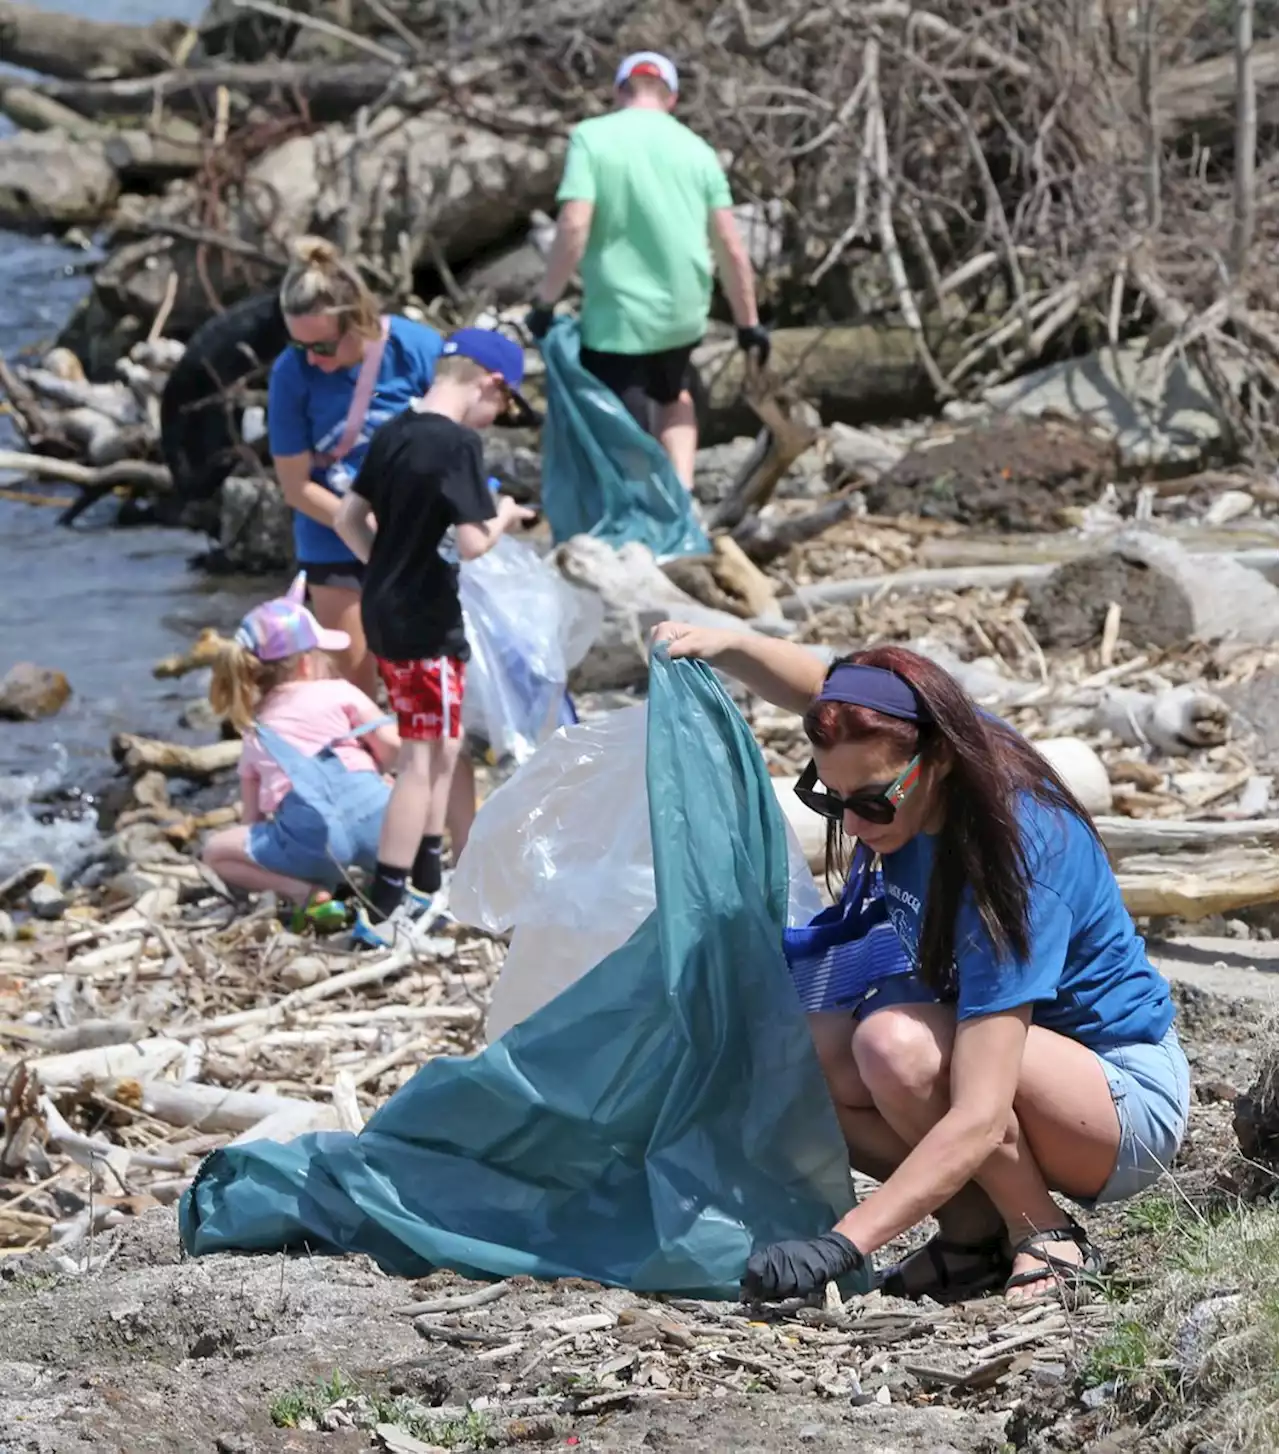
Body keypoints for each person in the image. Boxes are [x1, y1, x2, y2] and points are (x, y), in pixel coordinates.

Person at [650, 624, 1191, 1306]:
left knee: (894, 1045)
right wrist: (725, 645)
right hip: (1017, 1064)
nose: (857, 823)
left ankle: (1046, 1233)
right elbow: (828, 691)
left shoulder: (1011, 856)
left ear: (935, 760)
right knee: (798, 1058)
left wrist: (842, 1244)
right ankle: (972, 1238)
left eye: (874, 801)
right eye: (831, 801)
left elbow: (981, 1112)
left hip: (1120, 1100)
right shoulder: (918, 736)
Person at [334, 328, 537, 947]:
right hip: (425, 617)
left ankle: (425, 884)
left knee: (444, 745)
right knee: (421, 758)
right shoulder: (456, 443)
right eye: (500, 407)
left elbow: (347, 518)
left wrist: (386, 569)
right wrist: (505, 515)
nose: (494, 417)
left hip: (388, 609)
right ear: (490, 384)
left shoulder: (394, 429)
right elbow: (473, 543)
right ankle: (386, 909)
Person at [527, 50, 769, 490]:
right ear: (671, 98)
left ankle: (636, 508)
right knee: (672, 393)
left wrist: (547, 300)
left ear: (620, 90)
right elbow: (731, 247)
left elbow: (575, 224)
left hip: (617, 314)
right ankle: (682, 496)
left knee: (619, 411)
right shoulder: (698, 151)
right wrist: (748, 324)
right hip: (683, 311)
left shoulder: (592, 138)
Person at [268, 237, 445, 698]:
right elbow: (295, 485)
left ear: (359, 320)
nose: (312, 359)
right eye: (297, 343)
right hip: (333, 535)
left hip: (417, 534)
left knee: (422, 675)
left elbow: (456, 442)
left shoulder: (416, 349)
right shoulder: (291, 373)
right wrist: (363, 524)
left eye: (322, 345)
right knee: (353, 680)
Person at [203, 574, 400, 910]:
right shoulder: (340, 692)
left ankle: (303, 892)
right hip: (383, 830)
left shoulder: (255, 731)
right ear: (308, 661)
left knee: (215, 852)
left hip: (317, 847)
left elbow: (252, 821)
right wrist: (381, 772)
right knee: (407, 790)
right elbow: (393, 747)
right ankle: (389, 874)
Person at [161, 292, 290, 506]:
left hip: (204, 377)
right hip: (205, 380)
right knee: (216, 454)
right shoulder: (275, 318)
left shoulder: (275, 312)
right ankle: (204, 495)